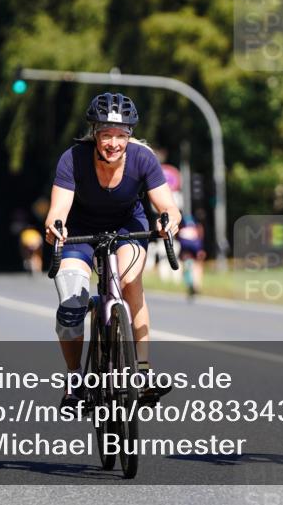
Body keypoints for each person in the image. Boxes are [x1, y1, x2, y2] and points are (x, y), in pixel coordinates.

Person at [45, 92, 180, 409]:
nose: (114, 143)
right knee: (70, 306)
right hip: (79, 232)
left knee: (129, 283)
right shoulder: (73, 159)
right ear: (95, 133)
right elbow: (58, 210)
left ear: (130, 135)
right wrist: (56, 227)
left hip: (127, 229)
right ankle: (75, 379)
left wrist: (167, 222)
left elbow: (169, 208)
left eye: (121, 135)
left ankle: (143, 372)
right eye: (107, 134)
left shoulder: (142, 158)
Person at [177, 212, 206, 299]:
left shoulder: (182, 225)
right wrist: (201, 248)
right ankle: (197, 285)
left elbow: (177, 235)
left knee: (186, 263)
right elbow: (200, 232)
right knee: (197, 265)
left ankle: (189, 283)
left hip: (185, 246)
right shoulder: (196, 225)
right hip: (196, 245)